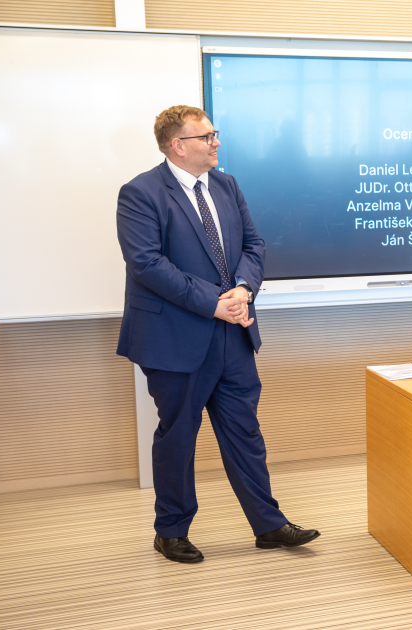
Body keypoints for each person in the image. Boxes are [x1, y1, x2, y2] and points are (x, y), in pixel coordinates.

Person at [116, 105, 320, 563]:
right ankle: (171, 531)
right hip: (175, 338)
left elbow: (253, 245)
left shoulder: (226, 185)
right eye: (207, 136)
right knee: (178, 437)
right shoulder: (141, 193)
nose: (217, 143)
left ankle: (269, 525)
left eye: (214, 134)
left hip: (233, 335)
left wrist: (243, 289)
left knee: (245, 432)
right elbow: (147, 264)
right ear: (178, 145)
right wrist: (214, 303)